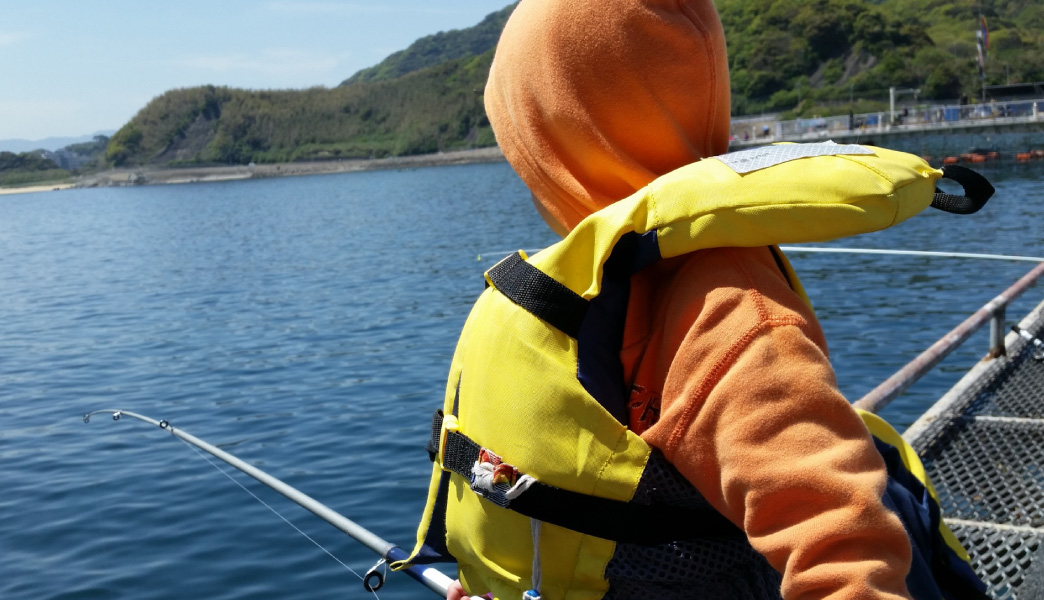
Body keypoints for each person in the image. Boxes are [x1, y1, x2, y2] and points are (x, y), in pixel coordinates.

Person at [402, 1, 986, 598]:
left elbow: (843, 550)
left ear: (559, 136)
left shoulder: (725, 306)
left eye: (523, 146)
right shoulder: (604, 288)